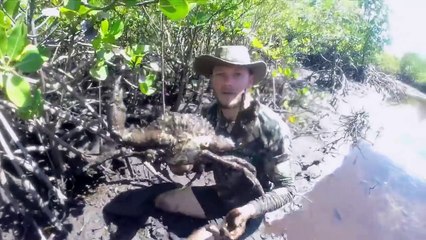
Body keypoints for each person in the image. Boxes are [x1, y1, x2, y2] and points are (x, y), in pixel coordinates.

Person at [154, 45, 295, 240]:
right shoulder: (209, 115)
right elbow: (201, 161)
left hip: (250, 207)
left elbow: (287, 189)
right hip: (221, 194)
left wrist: (249, 210)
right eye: (220, 74)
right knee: (163, 201)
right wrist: (182, 162)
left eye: (237, 75)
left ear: (250, 80)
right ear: (212, 79)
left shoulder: (271, 127)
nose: (228, 82)